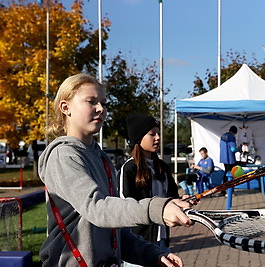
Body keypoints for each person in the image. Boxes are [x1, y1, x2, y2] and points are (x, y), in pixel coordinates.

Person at [38, 74, 192, 266]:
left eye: (103, 102)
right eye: (91, 101)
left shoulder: (102, 158)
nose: (101, 109)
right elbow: (97, 208)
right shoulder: (63, 156)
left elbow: (115, 230)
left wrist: (152, 254)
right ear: (65, 107)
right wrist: (156, 208)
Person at [119, 114, 179, 256]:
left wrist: (182, 202)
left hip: (163, 239)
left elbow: (173, 196)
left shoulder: (162, 167)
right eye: (152, 134)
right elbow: (125, 204)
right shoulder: (129, 168)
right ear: (139, 139)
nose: (158, 137)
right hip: (138, 242)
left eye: (158, 133)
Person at [219, 126, 238, 195]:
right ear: (235, 132)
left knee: (226, 174)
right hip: (230, 159)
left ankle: (223, 190)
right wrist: (238, 149)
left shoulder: (223, 136)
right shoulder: (231, 137)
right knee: (230, 175)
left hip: (223, 158)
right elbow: (233, 149)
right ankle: (229, 191)